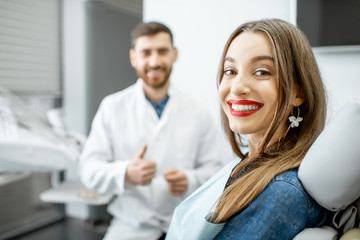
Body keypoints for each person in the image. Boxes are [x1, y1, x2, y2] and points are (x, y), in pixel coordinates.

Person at [166, 18, 328, 240]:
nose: (238, 87)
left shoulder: (280, 193)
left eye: (262, 72)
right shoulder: (248, 167)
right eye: (230, 71)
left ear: (298, 93)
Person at [79, 21, 226, 240]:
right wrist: (125, 173)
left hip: (185, 225)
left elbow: (217, 172)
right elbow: (88, 170)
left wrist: (190, 179)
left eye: (162, 51)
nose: (154, 61)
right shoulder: (112, 108)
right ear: (133, 57)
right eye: (146, 52)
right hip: (130, 227)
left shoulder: (198, 112)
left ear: (174, 54)